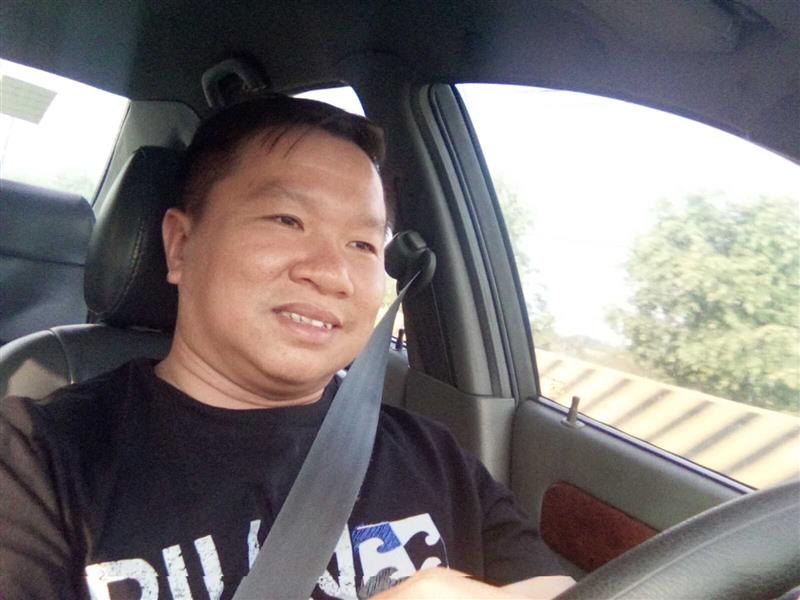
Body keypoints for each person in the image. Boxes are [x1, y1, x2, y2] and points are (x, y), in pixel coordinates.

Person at [0, 95, 571, 599]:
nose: (332, 274)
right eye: (287, 219)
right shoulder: (35, 462)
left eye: (363, 245)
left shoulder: (434, 457)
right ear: (180, 245)